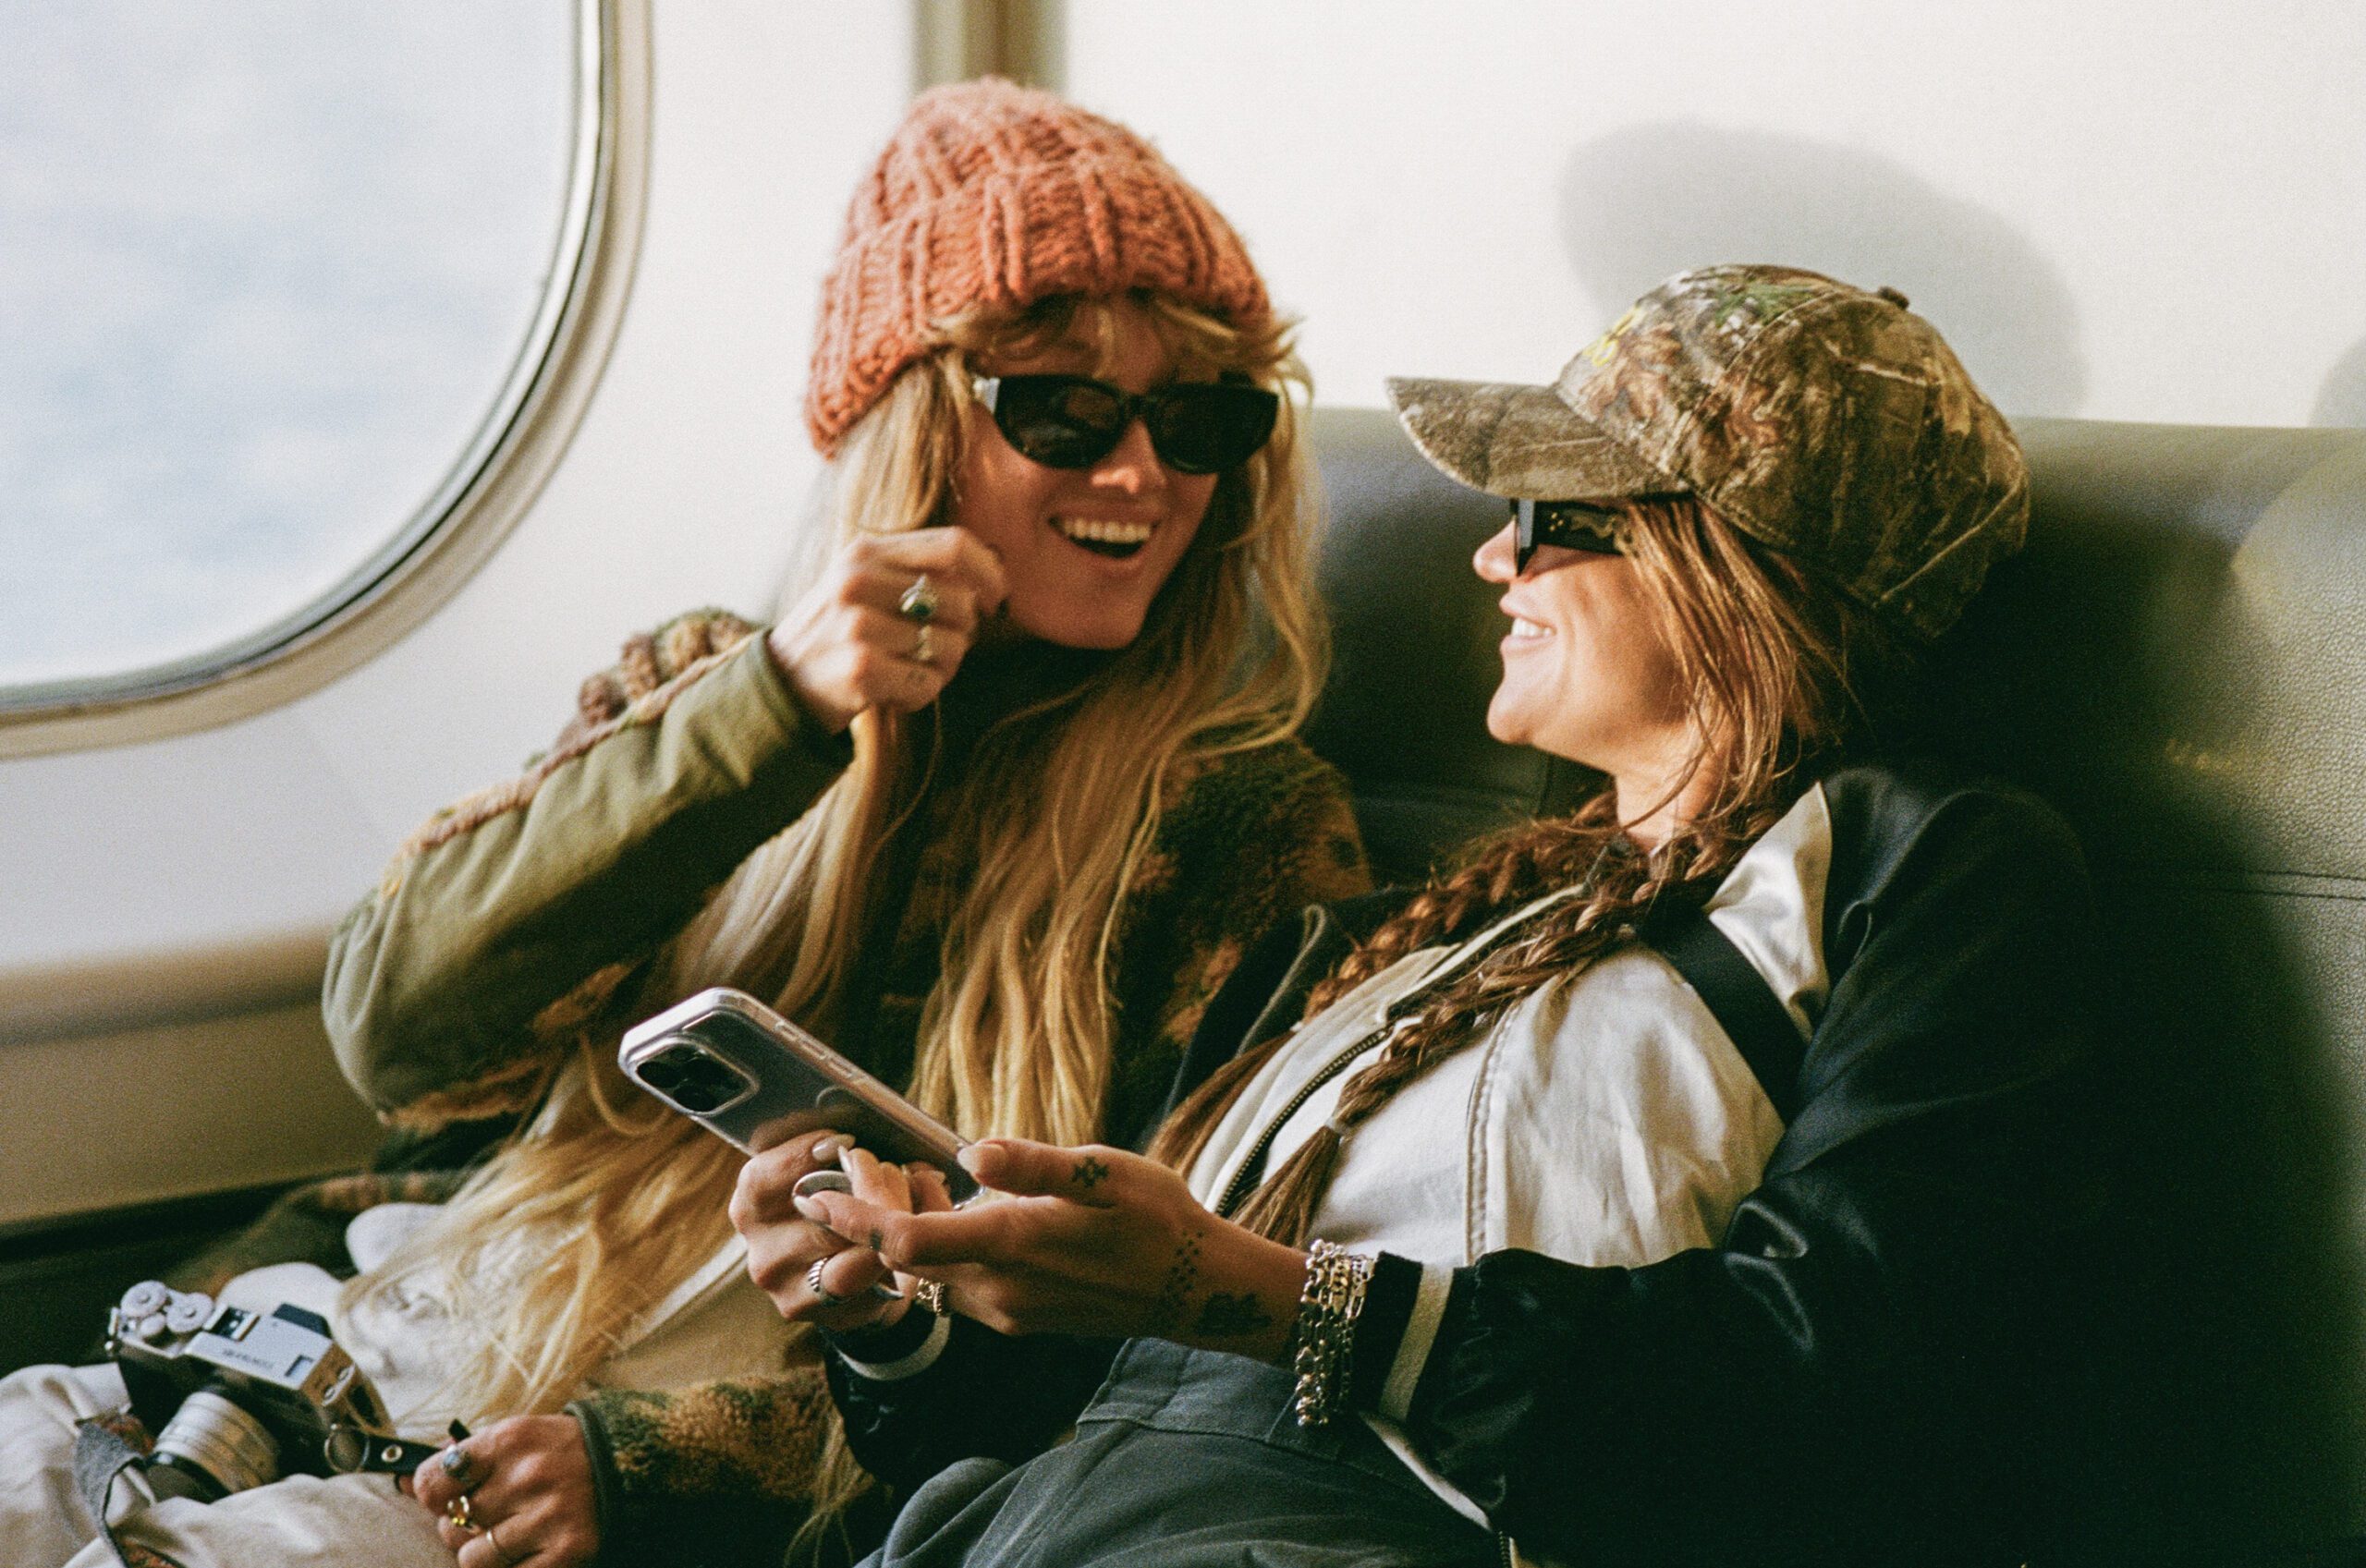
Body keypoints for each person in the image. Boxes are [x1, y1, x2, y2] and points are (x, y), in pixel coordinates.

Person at [2, 79, 1369, 1568]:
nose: (1142, 471)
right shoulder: (708, 687)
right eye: (1065, 406)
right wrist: (774, 708)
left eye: (1201, 416)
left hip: (526, 1471)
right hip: (337, 1328)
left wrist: (654, 1472)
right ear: (916, 423)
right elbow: (400, 1027)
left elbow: (1150, 1354)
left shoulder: (1243, 832)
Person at [731, 265, 2102, 1567]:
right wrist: (899, 1312)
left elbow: (1827, 1402)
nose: (1495, 557)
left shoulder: (1924, 862)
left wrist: (1263, 1296)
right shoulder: (1392, 942)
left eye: (1551, 513)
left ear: (1736, 563)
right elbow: (1081, 1407)